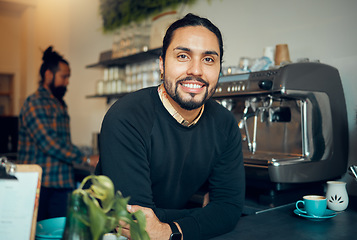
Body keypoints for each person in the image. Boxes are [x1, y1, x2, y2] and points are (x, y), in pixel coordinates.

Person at [96, 13, 245, 240]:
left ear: (219, 69)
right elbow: (136, 223)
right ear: (162, 64)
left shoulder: (225, 124)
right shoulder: (126, 117)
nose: (196, 70)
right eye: (183, 56)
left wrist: (169, 230)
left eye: (208, 59)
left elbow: (229, 209)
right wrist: (205, 215)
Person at [17, 46, 98, 221]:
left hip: (61, 184)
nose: (67, 82)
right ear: (48, 75)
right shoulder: (35, 103)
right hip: (41, 187)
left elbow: (63, 142)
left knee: (60, 232)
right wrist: (85, 159)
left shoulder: (59, 103)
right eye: (64, 76)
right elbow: (49, 143)